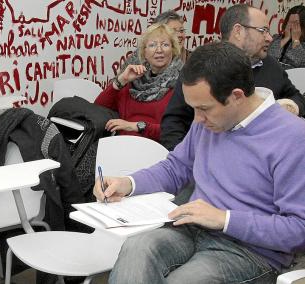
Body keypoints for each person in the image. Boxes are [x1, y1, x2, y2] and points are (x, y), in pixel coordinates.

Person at [94, 41, 305, 283]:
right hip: (193, 226)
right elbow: (176, 168)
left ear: (236, 96)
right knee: (137, 248)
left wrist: (224, 219)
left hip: (251, 250)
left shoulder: (293, 137)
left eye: (204, 109)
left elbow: (299, 229)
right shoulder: (209, 121)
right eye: (193, 108)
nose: (197, 119)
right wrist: (128, 183)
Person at [160, 4, 305, 151]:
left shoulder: (271, 66)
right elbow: (174, 120)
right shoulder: (201, 65)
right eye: (264, 31)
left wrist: (289, 106)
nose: (269, 38)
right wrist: (188, 163)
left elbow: (297, 97)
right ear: (238, 31)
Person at [94, 23, 183, 141]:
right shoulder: (134, 79)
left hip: (158, 148)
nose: (159, 50)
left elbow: (177, 131)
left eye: (165, 44)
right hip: (122, 146)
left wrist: (137, 126)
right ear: (144, 52)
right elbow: (98, 108)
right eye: (152, 45)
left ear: (173, 49)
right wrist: (121, 80)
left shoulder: (182, 83)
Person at [121, 10, 190, 70]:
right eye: (173, 31)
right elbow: (116, 82)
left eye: (181, 30)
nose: (180, 35)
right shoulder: (138, 58)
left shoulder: (193, 59)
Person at [268, 5, 305, 69]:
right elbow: (268, 59)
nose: (291, 26)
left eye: (296, 24)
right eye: (289, 22)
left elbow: (298, 65)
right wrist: (285, 38)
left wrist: (295, 40)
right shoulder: (276, 38)